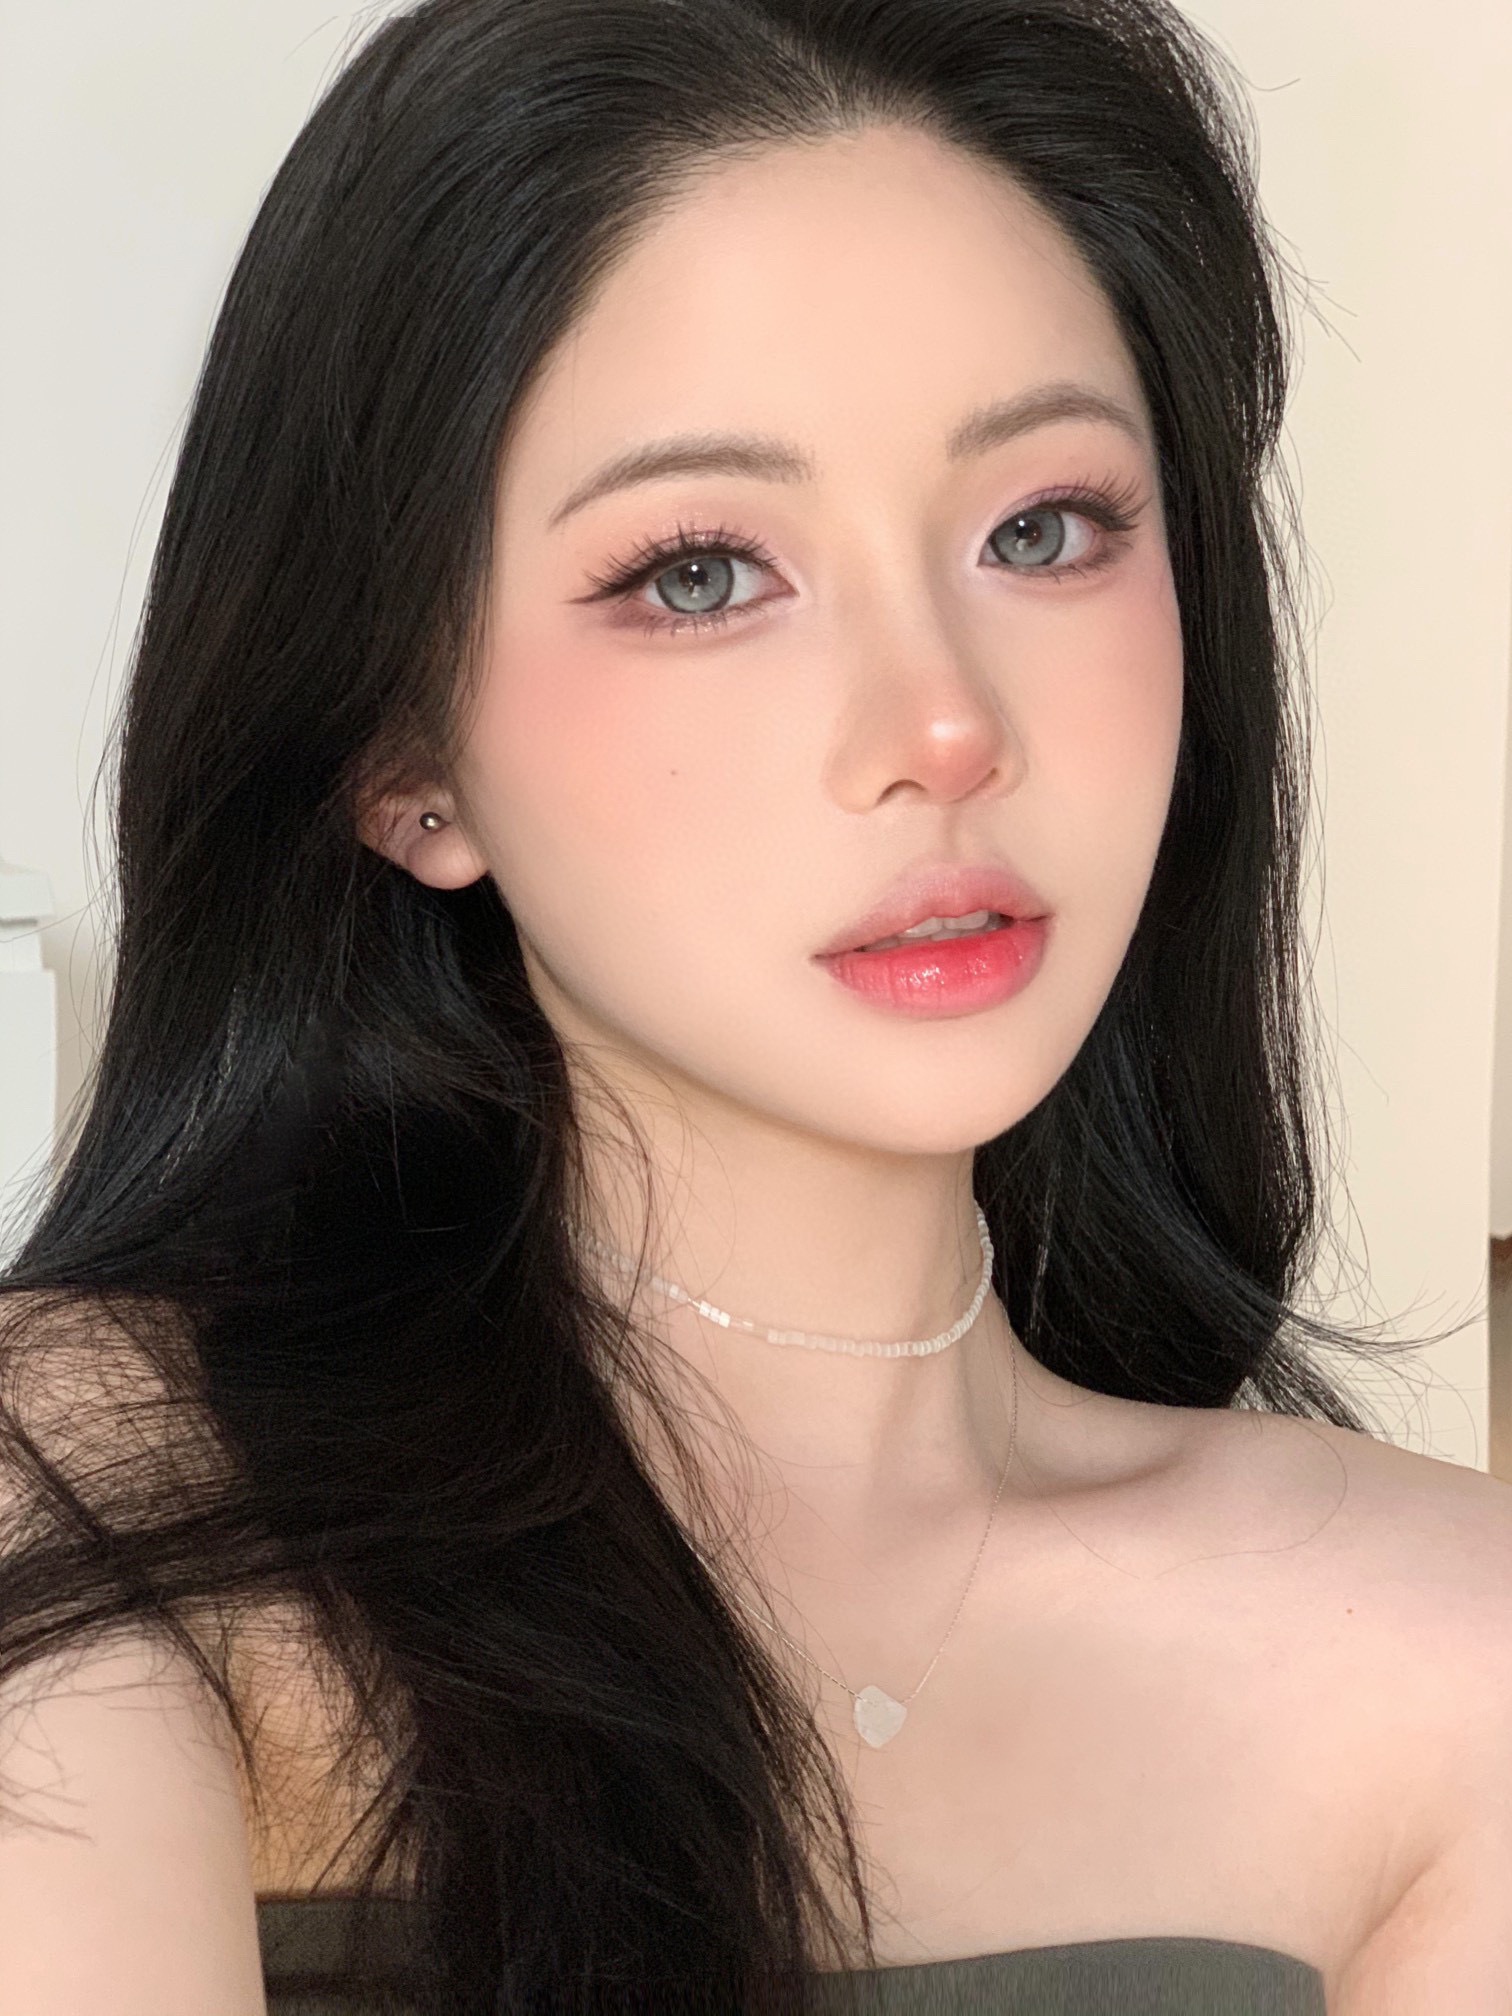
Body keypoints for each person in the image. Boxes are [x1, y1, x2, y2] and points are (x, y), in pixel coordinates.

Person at [0, 0, 1508, 2009]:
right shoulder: (91, 1487)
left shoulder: (1441, 1655)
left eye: (1042, 529)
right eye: (703, 573)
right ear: (402, 752)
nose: (946, 728)